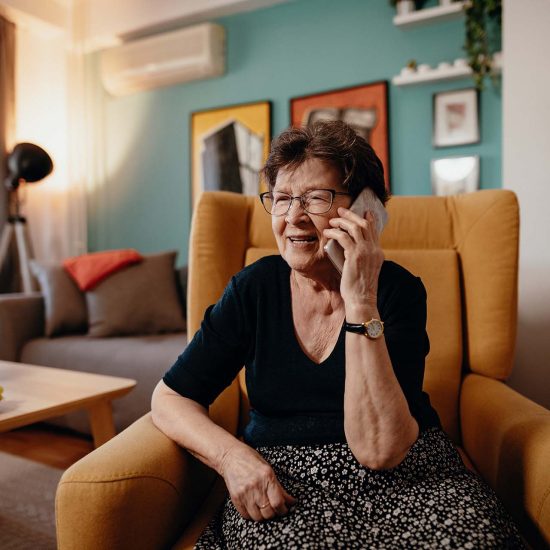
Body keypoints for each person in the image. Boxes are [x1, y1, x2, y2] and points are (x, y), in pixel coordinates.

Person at [151, 121, 524, 548]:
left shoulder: (398, 292)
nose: (293, 216)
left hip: (411, 475)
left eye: (315, 198)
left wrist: (362, 298)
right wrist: (232, 458)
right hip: (288, 481)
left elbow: (380, 451)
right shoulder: (253, 290)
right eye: (283, 198)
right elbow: (171, 397)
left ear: (365, 211)